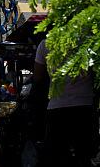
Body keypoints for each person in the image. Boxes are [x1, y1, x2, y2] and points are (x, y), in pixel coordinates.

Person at [32, 35, 97, 165]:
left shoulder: (45, 45)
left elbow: (37, 77)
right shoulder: (90, 43)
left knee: (57, 156)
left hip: (57, 107)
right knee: (83, 156)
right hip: (85, 107)